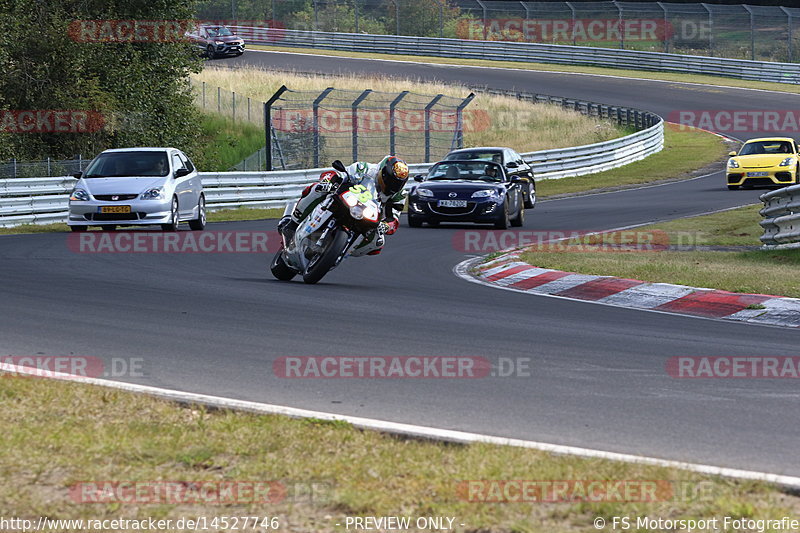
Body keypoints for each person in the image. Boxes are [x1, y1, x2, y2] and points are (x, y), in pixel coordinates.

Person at [278, 155, 409, 256]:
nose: (393, 186)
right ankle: (292, 224)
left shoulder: (398, 195)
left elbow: (393, 219)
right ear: (383, 173)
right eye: (391, 181)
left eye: (397, 183)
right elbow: (338, 174)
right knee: (318, 188)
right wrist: (328, 181)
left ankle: (342, 252)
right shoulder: (365, 169)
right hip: (345, 200)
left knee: (378, 242)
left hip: (366, 216)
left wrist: (386, 226)